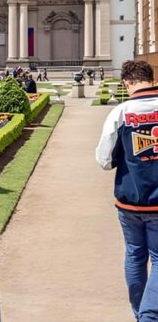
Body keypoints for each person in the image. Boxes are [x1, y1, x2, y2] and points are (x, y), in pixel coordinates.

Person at [97, 60, 158, 320]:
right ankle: (149, 315)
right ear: (151, 79)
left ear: (127, 82)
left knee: (135, 254)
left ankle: (140, 313)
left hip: (130, 199)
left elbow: (104, 160)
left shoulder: (120, 112)